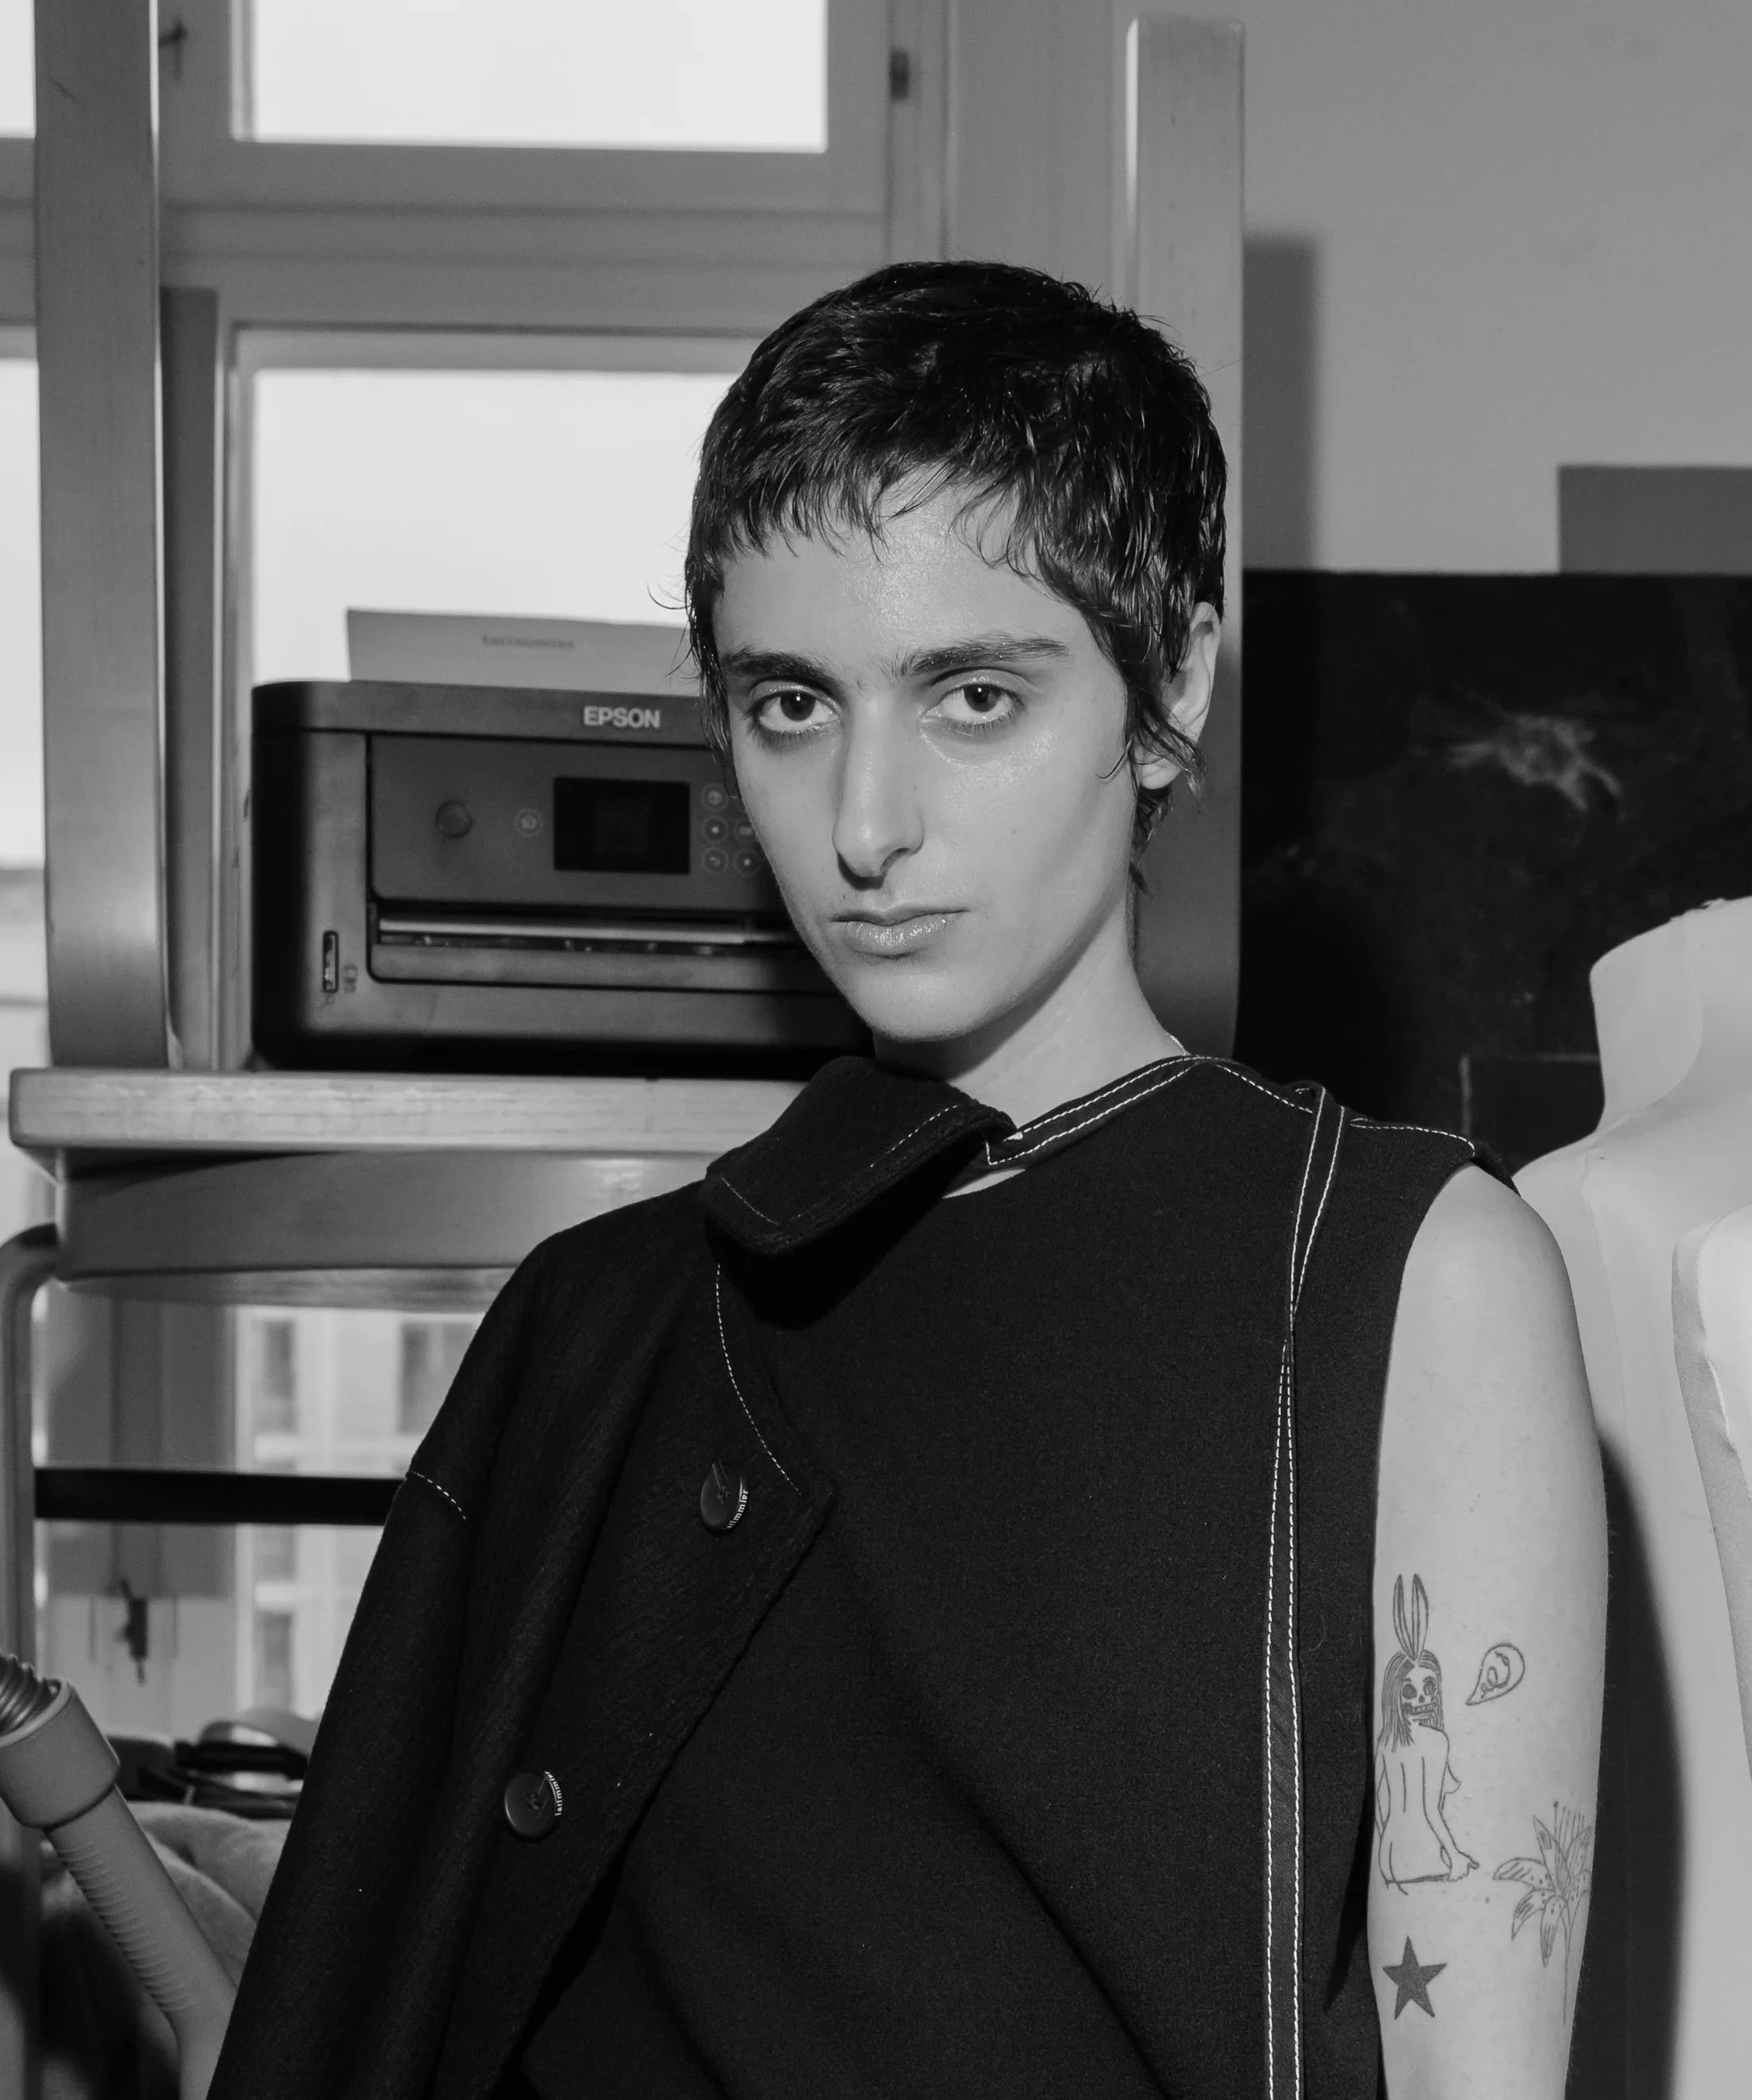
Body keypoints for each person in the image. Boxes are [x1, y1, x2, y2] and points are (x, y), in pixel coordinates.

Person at [215, 261, 1606, 2100]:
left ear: (1169, 687)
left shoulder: (1401, 1275)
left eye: (971, 696)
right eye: (790, 705)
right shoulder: (599, 1327)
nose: (863, 825)